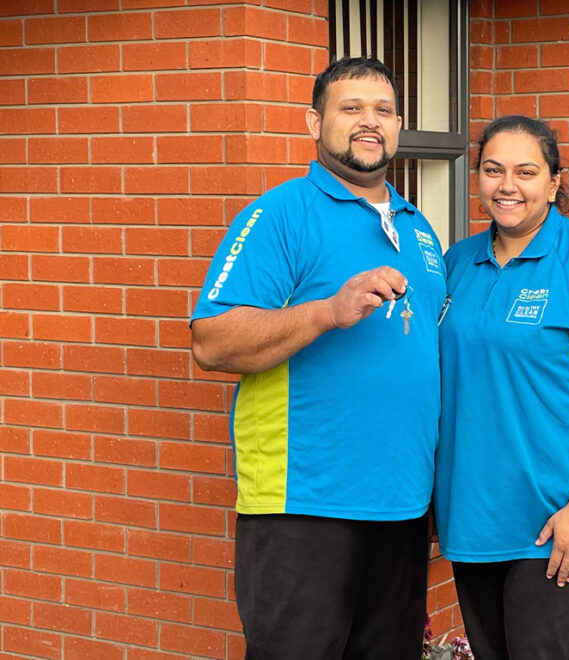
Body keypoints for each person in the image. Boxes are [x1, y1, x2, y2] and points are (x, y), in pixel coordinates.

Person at [190, 57, 447, 660]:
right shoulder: (280, 215)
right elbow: (211, 341)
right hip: (303, 506)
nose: (369, 122)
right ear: (314, 122)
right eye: (350, 108)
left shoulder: (421, 231)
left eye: (383, 110)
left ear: (399, 125)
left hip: (403, 506)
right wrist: (327, 311)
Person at [434, 115, 569, 660]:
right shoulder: (457, 263)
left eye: (525, 171)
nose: (507, 185)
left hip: (556, 524)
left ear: (554, 182)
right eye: (493, 170)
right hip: (474, 518)